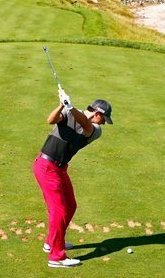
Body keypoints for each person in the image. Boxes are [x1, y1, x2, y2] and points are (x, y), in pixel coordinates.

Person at [33, 89, 113, 268]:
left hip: (60, 169)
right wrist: (62, 105)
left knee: (70, 206)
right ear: (98, 113)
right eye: (104, 119)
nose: (104, 123)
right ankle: (57, 257)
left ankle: (51, 242)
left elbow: (85, 124)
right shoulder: (68, 113)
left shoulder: (96, 130)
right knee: (59, 211)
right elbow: (51, 120)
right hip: (47, 167)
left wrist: (71, 107)